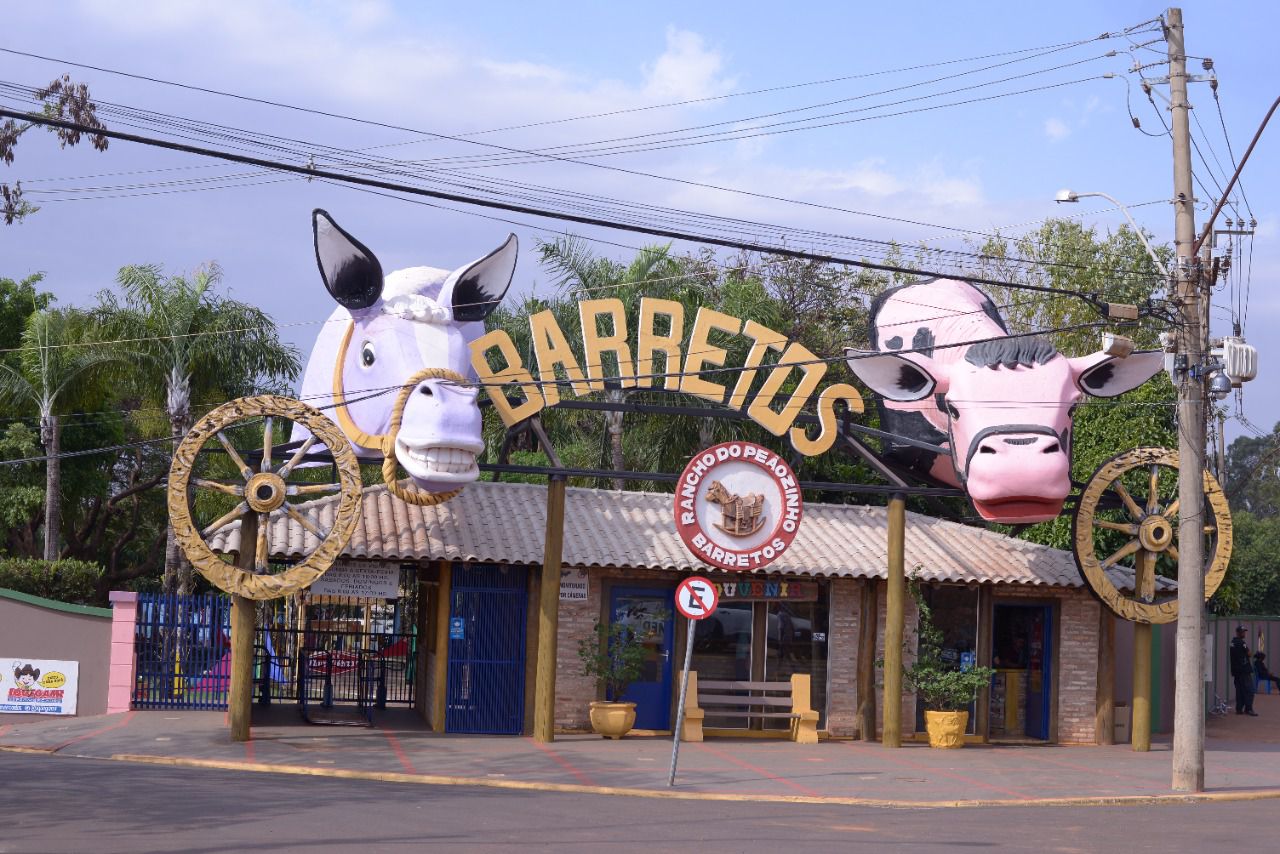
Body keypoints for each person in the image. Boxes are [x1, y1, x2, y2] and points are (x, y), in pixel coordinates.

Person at [1230, 625, 1257, 716]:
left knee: (1239, 690)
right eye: (1242, 632)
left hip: (1236, 671)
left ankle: (1239, 709)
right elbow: (1249, 654)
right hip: (1244, 670)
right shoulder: (1242, 643)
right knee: (1250, 690)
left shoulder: (1232, 642)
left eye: (1244, 631)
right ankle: (1249, 709)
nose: (1244, 633)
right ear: (1238, 633)